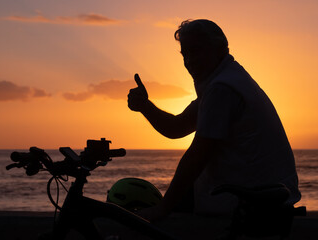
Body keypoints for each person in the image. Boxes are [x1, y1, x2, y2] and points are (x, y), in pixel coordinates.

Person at [127, 19, 301, 221]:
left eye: (197, 51)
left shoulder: (222, 89)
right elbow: (177, 128)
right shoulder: (224, 81)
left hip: (247, 201)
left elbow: (198, 155)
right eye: (185, 54)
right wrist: (145, 106)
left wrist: (163, 209)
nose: (190, 61)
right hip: (265, 194)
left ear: (220, 49)